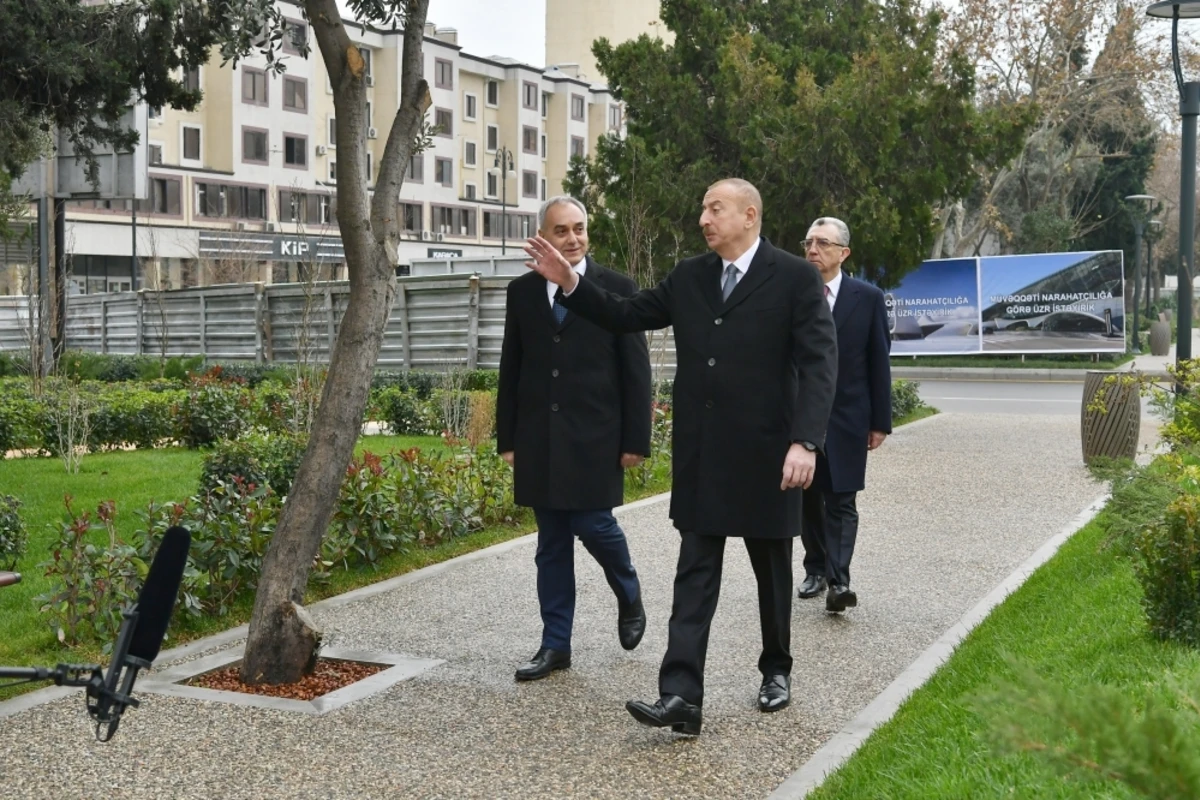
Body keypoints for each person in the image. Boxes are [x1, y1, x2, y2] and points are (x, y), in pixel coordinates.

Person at [523, 178, 837, 735]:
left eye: (714, 209)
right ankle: (681, 696)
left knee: (772, 570)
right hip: (705, 455)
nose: (703, 219)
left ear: (749, 214)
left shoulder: (794, 277)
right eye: (702, 209)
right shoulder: (690, 276)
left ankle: (776, 669)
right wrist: (571, 282)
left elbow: (819, 362)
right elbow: (626, 312)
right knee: (693, 574)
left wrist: (805, 441)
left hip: (770, 454)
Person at [497, 195, 653, 683]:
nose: (573, 238)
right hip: (540, 438)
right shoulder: (522, 292)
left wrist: (636, 439)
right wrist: (508, 437)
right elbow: (511, 367)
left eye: (579, 229)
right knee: (551, 543)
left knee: (594, 524)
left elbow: (637, 372)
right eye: (561, 230)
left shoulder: (616, 288)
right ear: (543, 235)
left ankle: (628, 590)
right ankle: (555, 645)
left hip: (596, 436)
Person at [796, 217, 892, 613]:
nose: (813, 250)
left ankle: (840, 581)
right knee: (808, 499)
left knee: (842, 499)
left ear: (843, 253)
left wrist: (879, 421)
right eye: (809, 243)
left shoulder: (866, 297)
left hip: (850, 417)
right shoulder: (796, 294)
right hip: (802, 417)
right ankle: (815, 568)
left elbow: (878, 361)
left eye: (822, 243)